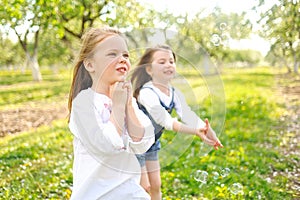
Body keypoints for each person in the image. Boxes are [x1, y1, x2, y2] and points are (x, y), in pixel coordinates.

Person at [67, 27, 155, 199]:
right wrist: (118, 107)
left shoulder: (125, 99)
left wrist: (129, 105)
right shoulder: (83, 104)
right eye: (112, 54)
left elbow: (143, 142)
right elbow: (107, 145)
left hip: (128, 192)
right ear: (90, 64)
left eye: (125, 55)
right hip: (95, 195)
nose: (122, 59)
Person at [130, 45, 223, 200]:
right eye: (162, 62)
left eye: (171, 61)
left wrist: (207, 129)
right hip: (136, 144)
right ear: (149, 70)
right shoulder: (147, 93)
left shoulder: (174, 93)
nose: (168, 64)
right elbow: (164, 120)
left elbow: (187, 114)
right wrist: (194, 132)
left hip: (152, 143)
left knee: (156, 185)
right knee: (142, 186)